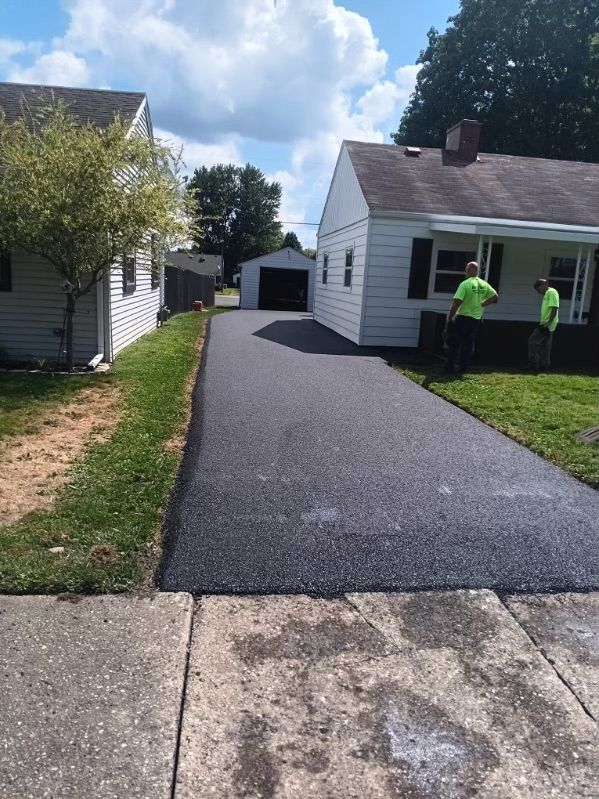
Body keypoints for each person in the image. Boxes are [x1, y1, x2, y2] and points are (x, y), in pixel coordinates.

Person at [444, 261, 498, 373]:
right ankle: (463, 368)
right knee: (468, 344)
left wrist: (449, 317)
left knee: (454, 342)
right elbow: (495, 296)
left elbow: (457, 302)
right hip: (476, 319)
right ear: (477, 271)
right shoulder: (483, 284)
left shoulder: (465, 284)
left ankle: (450, 368)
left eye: (466, 270)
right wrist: (482, 304)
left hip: (462, 317)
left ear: (468, 271)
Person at [528, 278, 559, 372]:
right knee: (545, 346)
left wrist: (549, 322)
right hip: (547, 323)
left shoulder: (551, 292)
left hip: (547, 324)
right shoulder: (547, 293)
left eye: (538, 289)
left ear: (544, 285)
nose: (538, 292)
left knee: (532, 341)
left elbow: (554, 307)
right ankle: (544, 366)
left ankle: (534, 366)